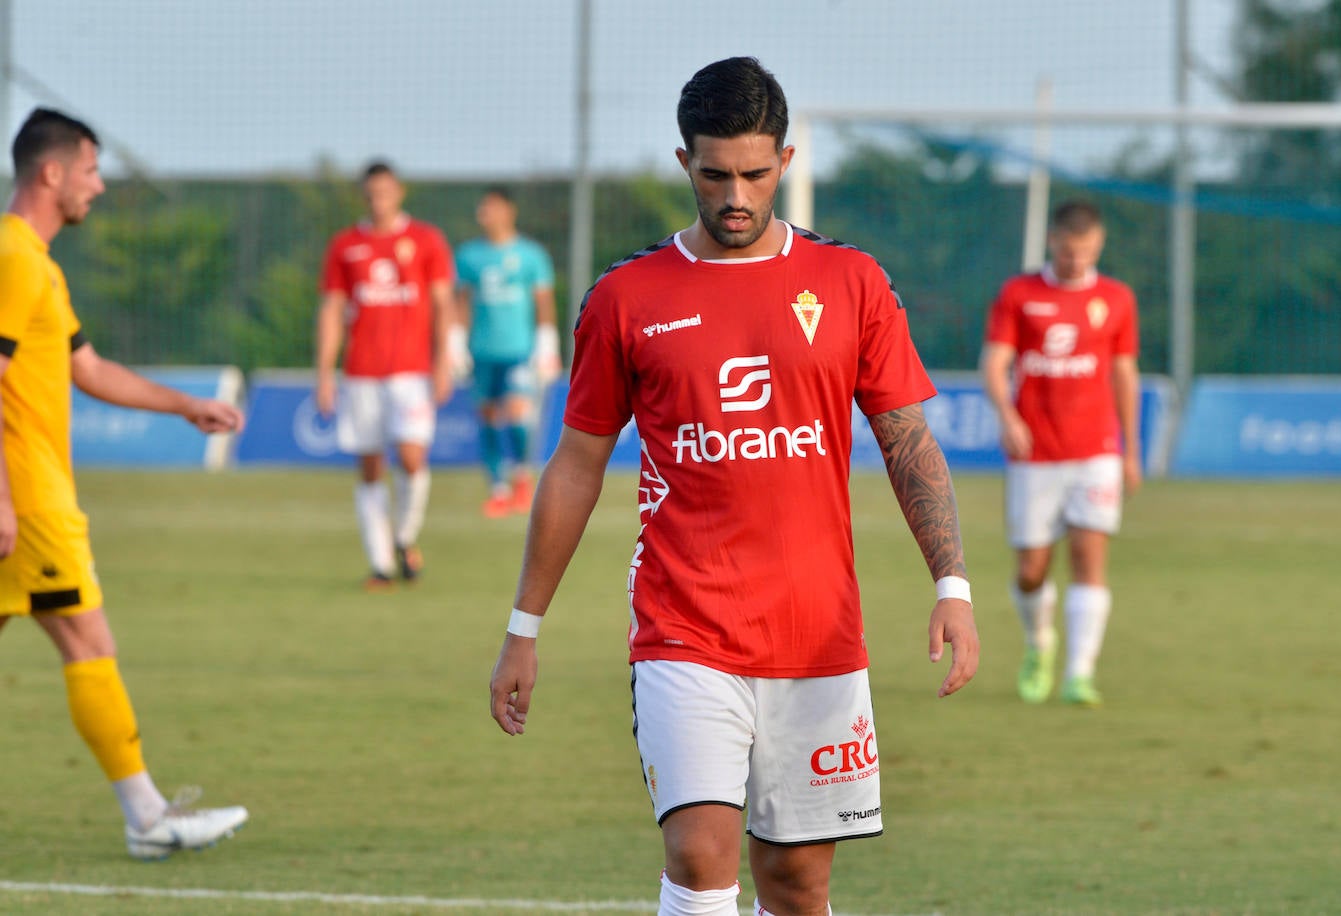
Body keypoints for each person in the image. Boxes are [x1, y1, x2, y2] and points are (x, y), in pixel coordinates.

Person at [489, 57, 979, 916]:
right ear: (685, 163)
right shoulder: (625, 298)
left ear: (786, 161)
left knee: (796, 884)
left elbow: (906, 440)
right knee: (700, 853)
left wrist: (953, 584)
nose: (736, 196)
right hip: (686, 627)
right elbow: (575, 466)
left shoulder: (851, 282)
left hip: (818, 633)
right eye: (715, 175)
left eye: (755, 173)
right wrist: (524, 627)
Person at [0, 107, 248, 858]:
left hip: (29, 494)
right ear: (52, 173)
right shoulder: (12, 256)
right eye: (90, 170)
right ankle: (146, 818)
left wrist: (185, 406)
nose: (98, 187)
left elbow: (88, 367)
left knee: (84, 638)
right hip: (29, 498)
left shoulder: (36, 262)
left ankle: (147, 817)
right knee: (87, 638)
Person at [980, 199, 1141, 708]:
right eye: (1070, 252)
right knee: (1031, 569)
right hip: (1037, 455)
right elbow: (995, 362)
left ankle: (1079, 673)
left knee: (1088, 558)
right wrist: (1008, 417)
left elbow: (1123, 374)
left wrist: (1130, 451)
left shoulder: (1116, 298)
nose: (1077, 261)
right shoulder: (1020, 293)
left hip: (1096, 450)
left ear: (1100, 246)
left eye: (1087, 252)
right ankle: (1039, 644)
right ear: (1053, 242)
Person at [316, 161, 455, 589]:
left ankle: (404, 536)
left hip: (411, 372)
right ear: (365, 196)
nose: (379, 199)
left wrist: (444, 361)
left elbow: (442, 304)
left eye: (386, 191)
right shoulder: (345, 246)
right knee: (371, 467)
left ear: (399, 193)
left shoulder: (425, 240)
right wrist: (324, 372)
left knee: (412, 458)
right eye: (372, 192)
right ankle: (381, 564)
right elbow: (333, 311)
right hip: (361, 374)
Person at [450, 186, 560, 518]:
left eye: (492, 208)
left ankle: (522, 475)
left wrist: (546, 343)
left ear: (508, 211)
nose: (486, 215)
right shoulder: (469, 256)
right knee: (486, 417)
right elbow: (462, 302)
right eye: (482, 209)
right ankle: (498, 489)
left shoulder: (530, 255)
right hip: (482, 351)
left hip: (519, 350)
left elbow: (542, 300)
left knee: (516, 413)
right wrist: (455, 341)